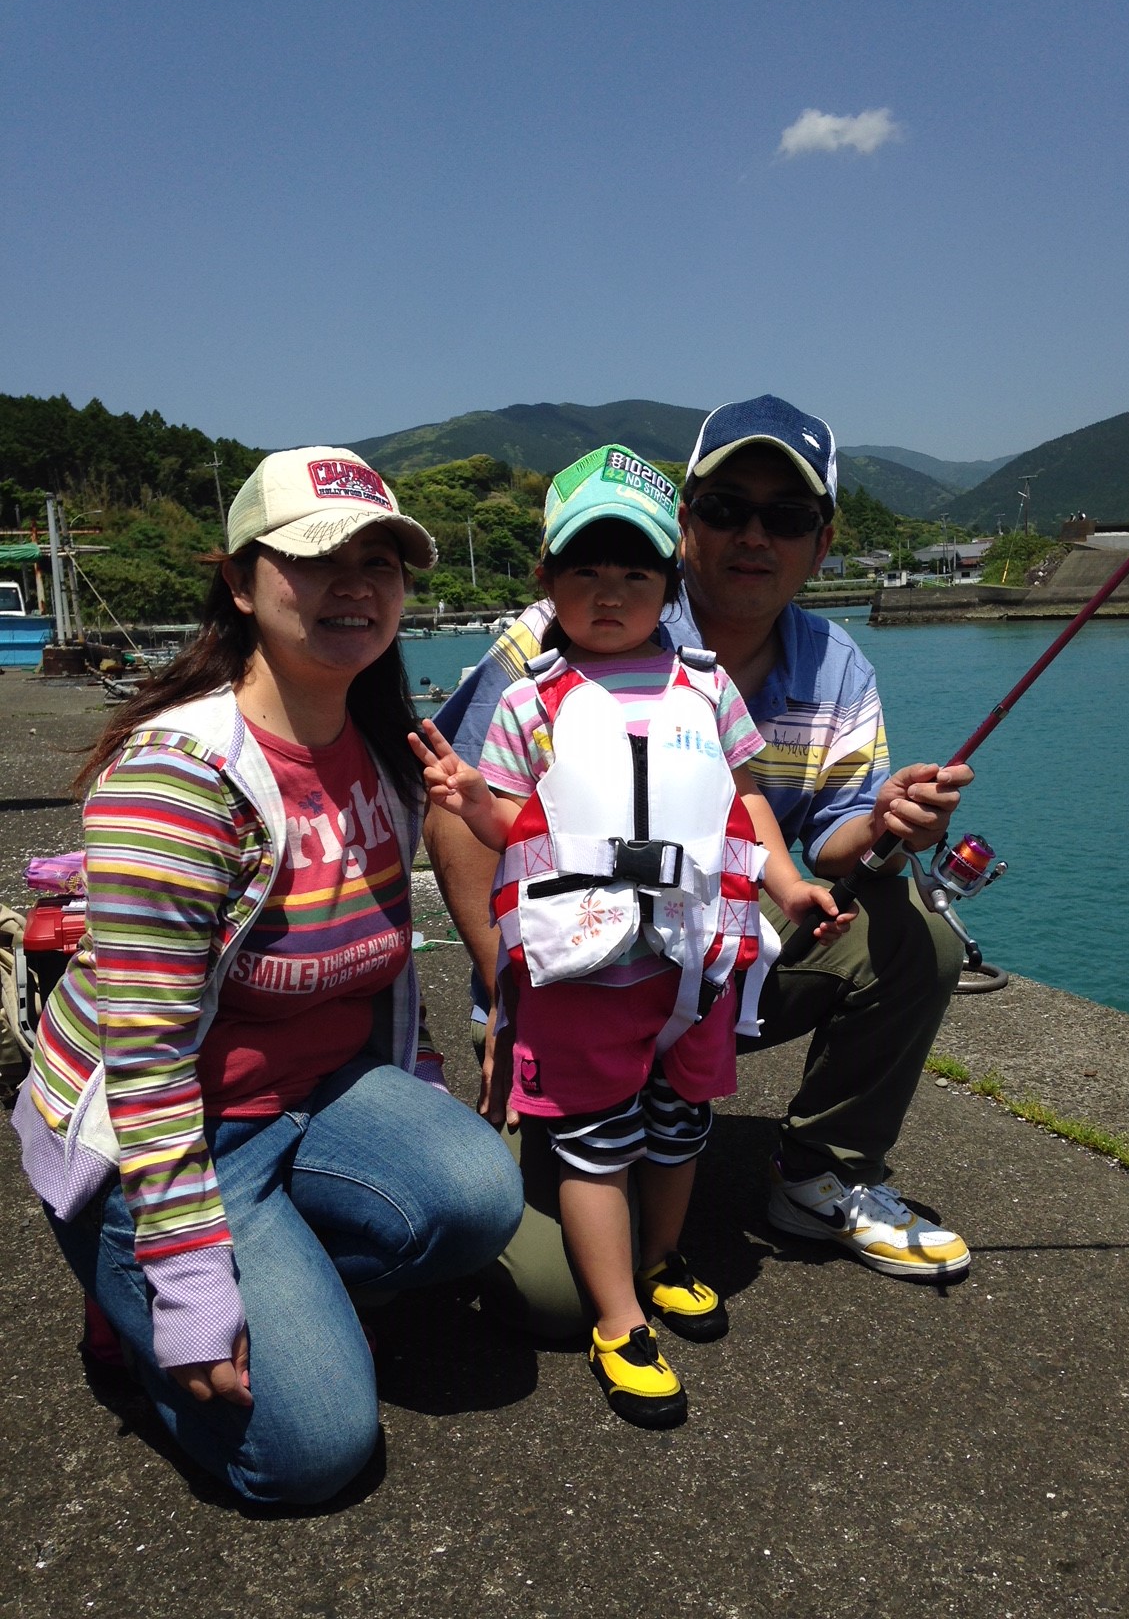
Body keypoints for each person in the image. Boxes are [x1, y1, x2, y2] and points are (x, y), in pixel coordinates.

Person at [11, 446, 524, 1504]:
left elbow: (383, 970)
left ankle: (280, 1266)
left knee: (476, 1194)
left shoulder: (384, 752)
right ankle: (135, 1299)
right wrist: (193, 1289)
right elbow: (146, 1065)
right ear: (242, 584)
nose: (358, 584)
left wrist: (423, 1107)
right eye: (316, 558)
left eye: (382, 561)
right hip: (179, 1130)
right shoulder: (180, 780)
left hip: (318, 1097)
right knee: (310, 1452)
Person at [427, 397, 974, 1338]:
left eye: (787, 517)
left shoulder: (836, 665)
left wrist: (888, 820)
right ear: (685, 524)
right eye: (725, 507)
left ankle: (817, 1176)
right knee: (551, 1296)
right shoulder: (560, 629)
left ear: (824, 541)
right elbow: (463, 817)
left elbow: (835, 841)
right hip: (570, 977)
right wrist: (501, 990)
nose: (753, 535)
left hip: (709, 958)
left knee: (916, 935)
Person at [410, 444, 852, 1427]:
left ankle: (661, 1260)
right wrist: (472, 802)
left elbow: (745, 806)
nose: (609, 593)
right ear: (547, 581)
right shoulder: (533, 703)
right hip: (583, 978)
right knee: (597, 1149)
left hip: (696, 963)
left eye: (635, 572)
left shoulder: (709, 691)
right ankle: (618, 1319)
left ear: (669, 581)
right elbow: (516, 832)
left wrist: (789, 881)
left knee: (679, 1126)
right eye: (584, 571)